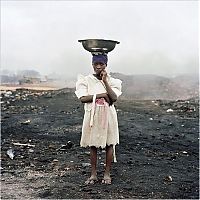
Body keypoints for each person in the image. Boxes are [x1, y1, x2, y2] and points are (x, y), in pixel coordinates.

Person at [75, 54, 122, 185]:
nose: (98, 67)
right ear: (92, 65)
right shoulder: (86, 80)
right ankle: (93, 174)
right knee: (93, 144)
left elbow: (113, 98)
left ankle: (107, 174)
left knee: (109, 143)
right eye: (96, 64)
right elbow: (83, 98)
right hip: (92, 115)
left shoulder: (113, 81)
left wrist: (105, 81)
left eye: (101, 64)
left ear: (106, 65)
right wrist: (102, 95)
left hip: (109, 115)